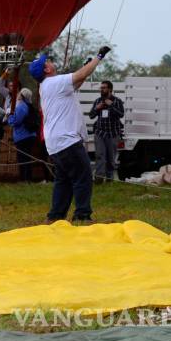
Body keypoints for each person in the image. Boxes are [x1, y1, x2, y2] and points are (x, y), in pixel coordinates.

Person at [30, 46, 111, 224]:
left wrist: (87, 66)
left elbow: (77, 81)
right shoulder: (54, 82)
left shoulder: (47, 86)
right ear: (46, 69)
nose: (51, 62)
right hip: (67, 141)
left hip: (55, 144)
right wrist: (98, 57)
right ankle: (82, 215)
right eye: (48, 62)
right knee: (83, 177)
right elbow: (80, 75)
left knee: (64, 181)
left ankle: (55, 216)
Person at [89, 80, 124, 183]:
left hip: (113, 134)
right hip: (100, 133)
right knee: (100, 156)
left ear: (110, 89)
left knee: (110, 158)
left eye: (104, 87)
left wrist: (111, 105)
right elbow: (91, 115)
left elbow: (121, 114)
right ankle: (98, 179)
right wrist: (97, 108)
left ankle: (109, 180)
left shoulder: (117, 101)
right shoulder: (98, 101)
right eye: (101, 87)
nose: (102, 89)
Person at [8, 89, 41, 182]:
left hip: (22, 136)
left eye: (19, 93)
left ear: (22, 96)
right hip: (31, 135)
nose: (18, 94)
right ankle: (28, 179)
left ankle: (23, 179)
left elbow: (16, 121)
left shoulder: (21, 106)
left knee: (22, 159)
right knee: (28, 157)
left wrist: (9, 117)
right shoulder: (30, 106)